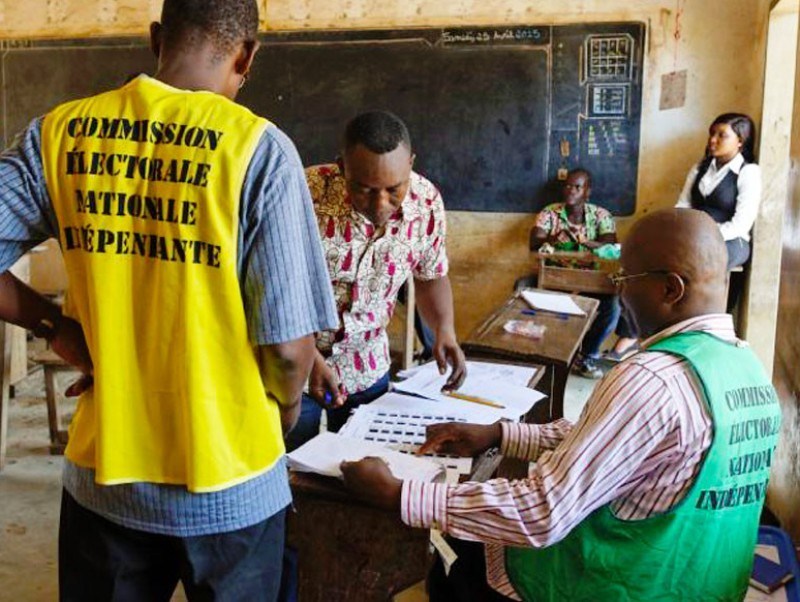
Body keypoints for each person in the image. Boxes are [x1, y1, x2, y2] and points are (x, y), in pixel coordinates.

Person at [0, 1, 338, 600]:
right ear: (248, 55)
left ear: (156, 38)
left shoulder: (60, 133)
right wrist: (283, 416)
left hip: (106, 477)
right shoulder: (260, 152)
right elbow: (289, 352)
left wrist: (53, 324)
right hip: (234, 483)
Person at [341, 208, 781, 601]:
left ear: (670, 289)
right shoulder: (745, 367)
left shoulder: (650, 378)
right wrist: (500, 434)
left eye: (624, 279)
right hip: (702, 584)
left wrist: (400, 493)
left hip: (618, 586)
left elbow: (542, 512)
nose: (619, 294)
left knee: (456, 557)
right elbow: (622, 445)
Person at [285, 111, 467, 451]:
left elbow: (430, 276)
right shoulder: (303, 193)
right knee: (291, 468)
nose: (380, 204)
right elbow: (276, 288)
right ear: (342, 168)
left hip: (366, 366)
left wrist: (445, 330)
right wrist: (309, 358)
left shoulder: (426, 202)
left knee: (363, 467)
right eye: (364, 190)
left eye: (393, 189)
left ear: (410, 164)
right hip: (296, 365)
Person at [524, 168, 620, 379]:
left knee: (613, 306)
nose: (571, 190)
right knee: (522, 288)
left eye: (577, 187)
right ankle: (536, 354)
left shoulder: (601, 215)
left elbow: (611, 245)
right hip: (555, 277)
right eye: (568, 185)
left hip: (590, 281)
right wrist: (552, 239)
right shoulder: (550, 213)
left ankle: (586, 356)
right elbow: (534, 242)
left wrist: (585, 242)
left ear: (587, 192)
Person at [676, 112, 761, 269]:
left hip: (731, 241)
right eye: (712, 133)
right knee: (659, 251)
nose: (713, 140)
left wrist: (704, 236)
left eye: (722, 135)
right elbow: (682, 206)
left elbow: (741, 224)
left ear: (740, 141)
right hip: (695, 237)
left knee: (695, 260)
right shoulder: (699, 169)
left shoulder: (748, 172)